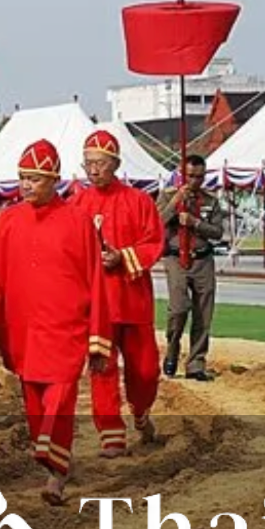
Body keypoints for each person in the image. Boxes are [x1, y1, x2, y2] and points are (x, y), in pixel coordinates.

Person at [0, 140, 111, 505]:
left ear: (55, 180)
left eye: (35, 179)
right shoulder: (8, 221)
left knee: (60, 399)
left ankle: (56, 473)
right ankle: (54, 461)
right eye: (23, 178)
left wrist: (98, 338)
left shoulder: (78, 221)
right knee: (34, 406)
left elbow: (96, 280)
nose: (26, 185)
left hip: (67, 331)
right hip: (22, 332)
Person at [71, 130, 165, 457]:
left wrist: (121, 257)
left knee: (145, 370)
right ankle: (110, 433)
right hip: (97, 306)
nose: (93, 170)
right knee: (102, 369)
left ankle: (141, 411)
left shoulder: (139, 201)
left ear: (116, 164)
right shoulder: (76, 204)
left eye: (100, 163)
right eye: (88, 164)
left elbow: (154, 242)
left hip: (133, 299)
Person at [159, 154, 225, 382]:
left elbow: (218, 232)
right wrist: (176, 202)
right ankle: (172, 348)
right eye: (191, 176)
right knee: (179, 308)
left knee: (203, 312)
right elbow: (156, 222)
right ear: (181, 174)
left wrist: (196, 223)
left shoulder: (210, 200)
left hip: (202, 259)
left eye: (200, 176)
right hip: (176, 258)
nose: (196, 181)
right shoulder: (167, 195)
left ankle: (196, 362)